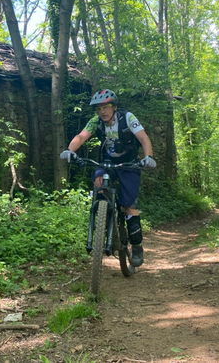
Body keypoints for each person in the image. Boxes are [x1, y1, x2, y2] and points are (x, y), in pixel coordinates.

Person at [59, 89, 156, 267]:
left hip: (129, 164)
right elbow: (81, 136)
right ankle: (105, 215)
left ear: (114, 107)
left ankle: (136, 246)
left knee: (128, 204)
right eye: (99, 108)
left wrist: (148, 157)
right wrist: (69, 150)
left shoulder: (127, 118)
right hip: (107, 162)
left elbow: (143, 138)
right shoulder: (96, 121)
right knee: (98, 181)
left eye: (106, 107)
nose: (102, 111)